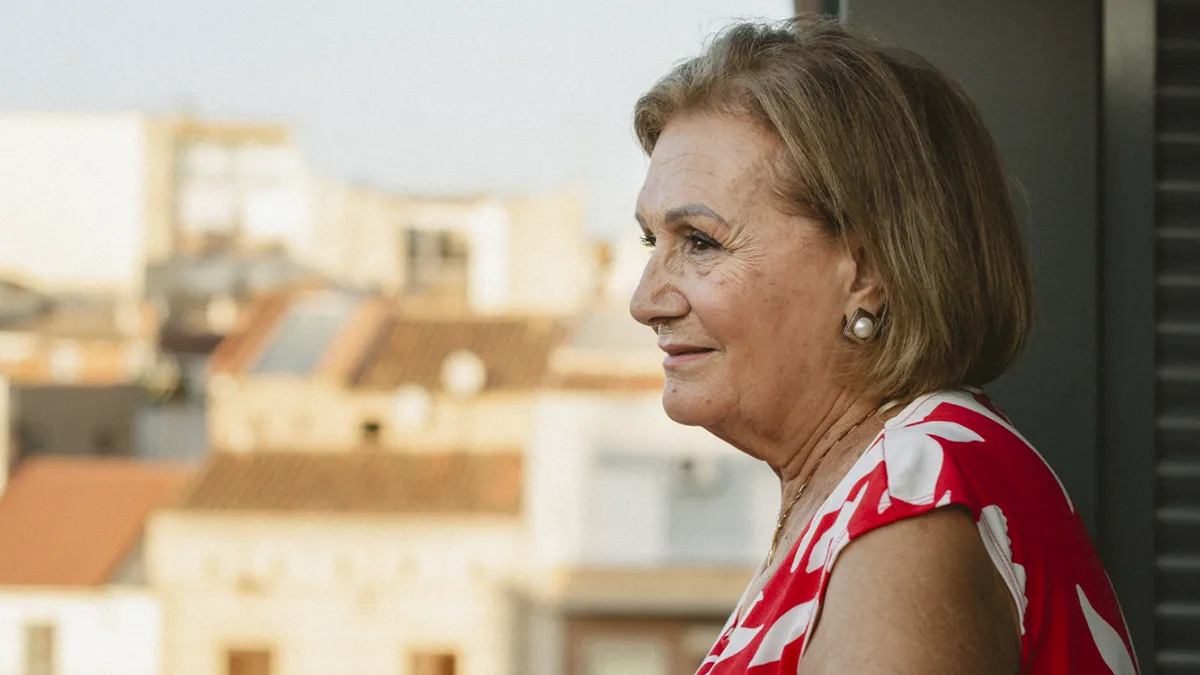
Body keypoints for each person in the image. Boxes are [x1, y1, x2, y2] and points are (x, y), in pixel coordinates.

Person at [629, 16, 1137, 675]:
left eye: (700, 241)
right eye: (652, 242)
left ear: (866, 273)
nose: (646, 300)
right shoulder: (881, 489)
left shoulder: (913, 497)